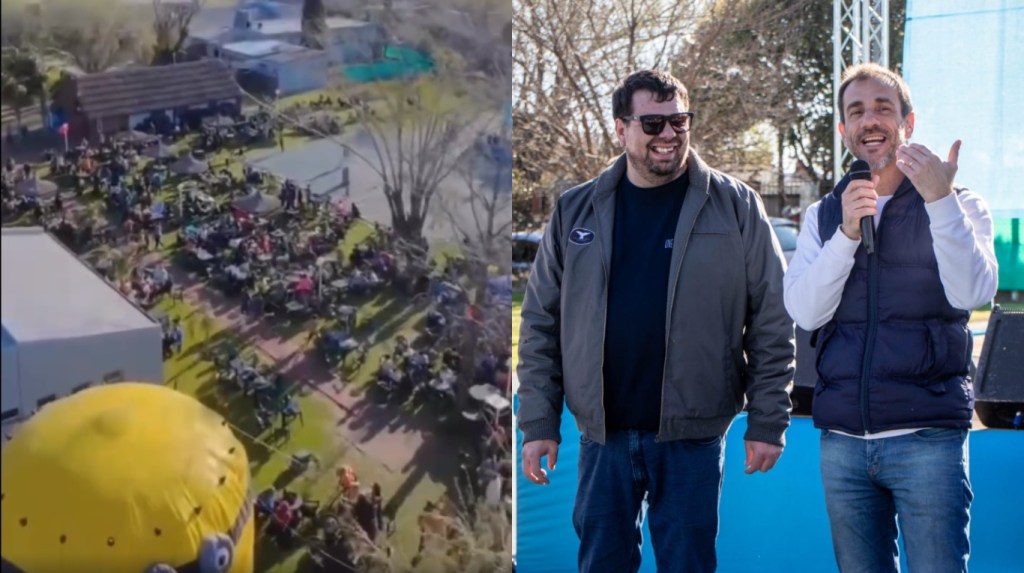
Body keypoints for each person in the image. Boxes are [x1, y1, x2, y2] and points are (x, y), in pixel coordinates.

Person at [517, 70, 795, 573]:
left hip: (692, 436)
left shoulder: (737, 206)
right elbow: (540, 323)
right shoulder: (574, 210)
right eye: (652, 123)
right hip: (603, 437)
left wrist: (769, 419)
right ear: (621, 129)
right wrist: (538, 422)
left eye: (679, 121)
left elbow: (773, 320)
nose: (668, 134)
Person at [783, 63, 998, 573]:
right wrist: (847, 235)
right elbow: (806, 312)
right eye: (856, 111)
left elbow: (973, 291)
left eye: (883, 107)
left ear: (909, 121)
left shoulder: (960, 203)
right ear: (843, 130)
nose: (870, 120)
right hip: (843, 446)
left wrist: (939, 201)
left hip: (928, 442)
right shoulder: (824, 214)